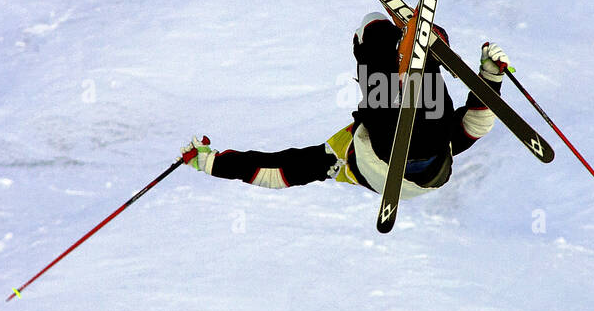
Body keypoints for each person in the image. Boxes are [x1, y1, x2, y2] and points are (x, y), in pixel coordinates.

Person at [180, 13, 509, 200]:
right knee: (375, 42)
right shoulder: (343, 154)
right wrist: (491, 77)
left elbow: (278, 171)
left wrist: (212, 164)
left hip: (413, 158)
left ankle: (413, 51)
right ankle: (414, 50)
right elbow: (475, 126)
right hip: (412, 159)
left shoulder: (339, 156)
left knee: (401, 106)